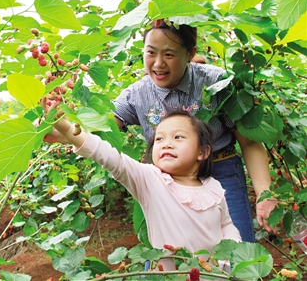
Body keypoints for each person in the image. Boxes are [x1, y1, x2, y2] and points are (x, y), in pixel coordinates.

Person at [113, 19, 276, 242]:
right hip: (167, 182)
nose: (158, 63)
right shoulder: (137, 94)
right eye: (151, 53)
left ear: (190, 54)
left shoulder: (216, 83)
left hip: (221, 172)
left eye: (169, 55)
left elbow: (249, 142)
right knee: (170, 254)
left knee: (237, 251)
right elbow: (103, 123)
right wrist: (65, 127)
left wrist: (264, 192)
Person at [44, 107, 242, 271]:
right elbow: (111, 157)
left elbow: (226, 224)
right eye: (159, 139)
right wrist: (67, 128)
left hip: (215, 275)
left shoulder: (213, 188)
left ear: (203, 151)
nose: (167, 144)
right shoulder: (151, 181)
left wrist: (232, 251)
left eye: (178, 137)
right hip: (170, 276)